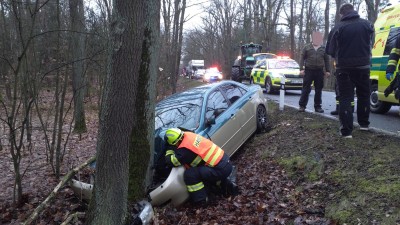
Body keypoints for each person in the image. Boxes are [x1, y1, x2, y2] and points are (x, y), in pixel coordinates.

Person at [326, 3, 374, 138]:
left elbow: (330, 50)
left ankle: (346, 131)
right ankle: (364, 125)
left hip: (344, 68)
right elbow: (371, 43)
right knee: (364, 95)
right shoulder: (368, 25)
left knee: (345, 97)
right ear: (354, 11)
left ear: (342, 14)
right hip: (364, 67)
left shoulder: (337, 28)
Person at [164, 128, 235, 206]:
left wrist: (169, 149)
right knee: (201, 171)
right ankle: (229, 188)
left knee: (190, 174)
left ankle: (201, 201)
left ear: (174, 143)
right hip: (225, 161)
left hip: (220, 169)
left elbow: (172, 162)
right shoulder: (189, 134)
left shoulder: (184, 150)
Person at [298, 31, 331, 113]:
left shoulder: (324, 48)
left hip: (319, 71)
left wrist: (328, 71)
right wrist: (301, 69)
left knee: (318, 89)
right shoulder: (307, 47)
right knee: (306, 89)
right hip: (309, 70)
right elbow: (302, 58)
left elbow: (327, 60)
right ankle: (302, 106)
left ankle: (318, 106)